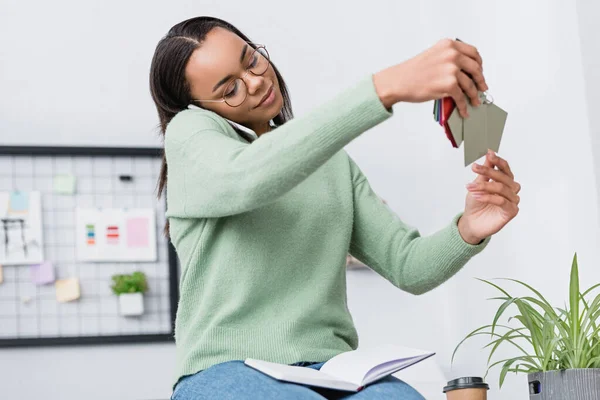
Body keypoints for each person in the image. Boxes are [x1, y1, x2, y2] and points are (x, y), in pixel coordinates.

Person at [149, 16, 520, 400]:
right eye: (230, 89)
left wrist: (469, 230)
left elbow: (408, 265)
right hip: (224, 370)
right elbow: (248, 177)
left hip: (333, 370)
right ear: (201, 108)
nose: (256, 81)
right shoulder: (189, 137)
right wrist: (385, 88)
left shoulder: (331, 163)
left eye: (251, 60)